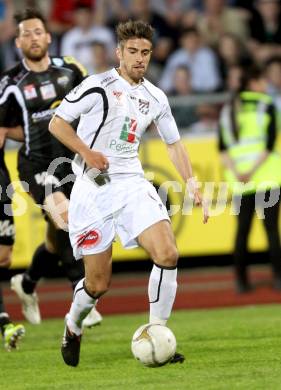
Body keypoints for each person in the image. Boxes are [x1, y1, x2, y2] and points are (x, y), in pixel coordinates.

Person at [49, 19, 208, 367]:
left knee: (168, 253)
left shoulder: (155, 97)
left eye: (145, 52)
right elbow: (57, 123)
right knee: (98, 283)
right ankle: (73, 324)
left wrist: (192, 183)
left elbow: (174, 144)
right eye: (132, 51)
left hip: (132, 183)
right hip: (92, 189)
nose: (139, 58)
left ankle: (157, 334)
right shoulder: (97, 86)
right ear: (119, 52)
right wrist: (87, 153)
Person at [0, 9, 102, 327]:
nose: (33, 38)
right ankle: (80, 296)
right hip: (35, 164)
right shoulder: (11, 83)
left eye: (37, 32)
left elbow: (95, 107)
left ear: (48, 36)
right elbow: (4, 130)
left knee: (55, 240)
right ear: (18, 42)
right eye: (26, 33)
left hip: (70, 163)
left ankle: (27, 282)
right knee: (65, 218)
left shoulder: (71, 70)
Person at [218, 66, 281, 293]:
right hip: (267, 178)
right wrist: (253, 170)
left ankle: (241, 282)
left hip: (239, 181)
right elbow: (269, 144)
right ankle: (278, 278)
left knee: (242, 232)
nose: (266, 85)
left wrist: (238, 172)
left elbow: (223, 150)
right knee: (272, 230)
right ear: (253, 82)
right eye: (263, 81)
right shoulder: (267, 104)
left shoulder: (227, 109)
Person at [0, 132, 25, 350]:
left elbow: (23, 130)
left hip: (2, 190)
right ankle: (4, 323)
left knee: (4, 258)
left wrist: (6, 129)